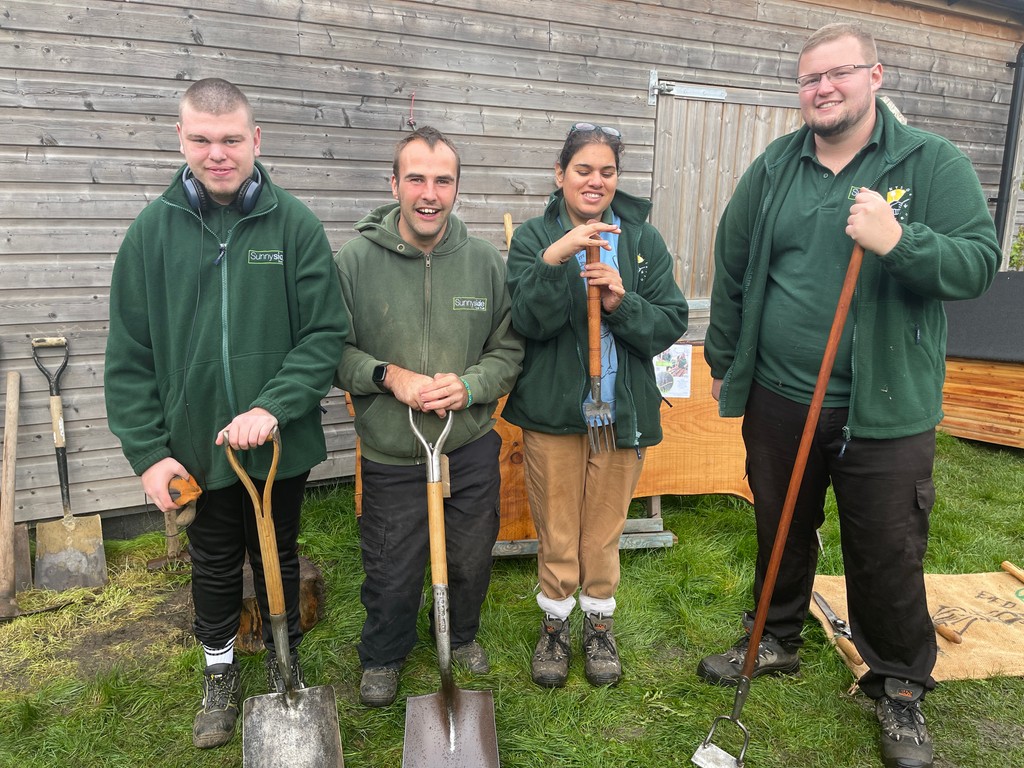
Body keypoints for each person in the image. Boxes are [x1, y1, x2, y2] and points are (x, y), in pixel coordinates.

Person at [699, 23, 1000, 768]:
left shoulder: (929, 163)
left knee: (887, 547)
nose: (823, 88)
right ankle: (775, 636)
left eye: (839, 73)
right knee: (780, 524)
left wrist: (899, 241)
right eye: (809, 78)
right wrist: (725, 356)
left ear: (875, 75)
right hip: (781, 396)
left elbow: (977, 265)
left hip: (885, 406)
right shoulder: (777, 166)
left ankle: (898, 683)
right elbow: (733, 264)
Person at [104, 78, 347, 749]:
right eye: (203, 139)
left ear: (255, 141)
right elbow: (128, 355)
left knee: (280, 555)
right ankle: (220, 674)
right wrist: (148, 452)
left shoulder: (292, 225)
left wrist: (274, 404)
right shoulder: (150, 234)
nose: (218, 153)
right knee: (211, 562)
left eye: (231, 139)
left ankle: (282, 654)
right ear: (181, 138)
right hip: (195, 445)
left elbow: (325, 333)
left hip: (278, 442)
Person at [334, 126, 523, 708]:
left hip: (466, 443)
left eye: (443, 180)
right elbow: (332, 352)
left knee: (470, 550)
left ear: (457, 189)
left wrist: (469, 387)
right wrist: (391, 377)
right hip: (394, 445)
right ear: (394, 183)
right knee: (391, 562)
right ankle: (384, 653)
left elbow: (509, 350)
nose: (429, 193)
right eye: (415, 177)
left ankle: (460, 636)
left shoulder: (485, 262)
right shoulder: (355, 262)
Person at [504, 123, 688, 688]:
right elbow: (528, 322)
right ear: (560, 175)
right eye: (583, 169)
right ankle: (557, 625)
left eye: (606, 171)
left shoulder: (641, 241)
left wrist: (622, 302)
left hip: (620, 412)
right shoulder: (534, 237)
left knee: (603, 529)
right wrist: (554, 261)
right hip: (554, 412)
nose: (595, 180)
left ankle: (599, 623)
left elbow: (670, 321)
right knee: (558, 526)